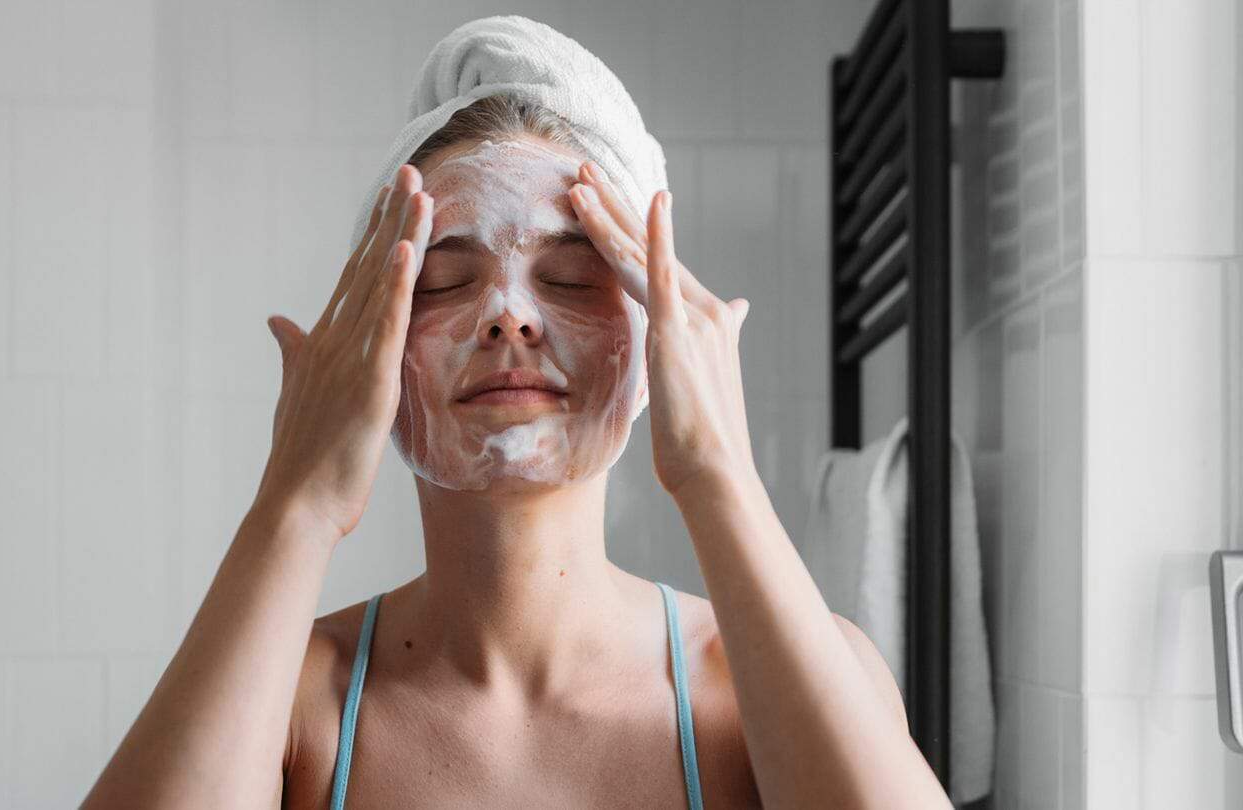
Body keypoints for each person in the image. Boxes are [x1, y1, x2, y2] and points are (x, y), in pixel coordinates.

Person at [82, 18, 951, 810]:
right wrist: (296, 503)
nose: (509, 313)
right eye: (444, 280)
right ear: (371, 346)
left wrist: (719, 477)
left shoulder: (779, 684)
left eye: (570, 277)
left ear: (656, 343)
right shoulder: (293, 700)